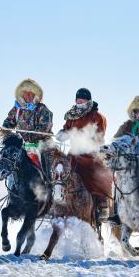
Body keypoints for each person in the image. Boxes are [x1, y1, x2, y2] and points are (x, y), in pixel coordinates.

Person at [57, 88, 112, 222]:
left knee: (97, 172)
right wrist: (63, 134)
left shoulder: (97, 116)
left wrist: (83, 137)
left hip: (91, 154)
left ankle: (102, 203)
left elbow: (99, 135)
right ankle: (58, 200)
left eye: (82, 100)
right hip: (74, 153)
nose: (79, 102)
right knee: (60, 169)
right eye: (78, 100)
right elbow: (66, 129)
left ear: (88, 101)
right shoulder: (72, 116)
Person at [2, 78, 53, 168]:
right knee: (8, 158)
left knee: (47, 161)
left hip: (40, 145)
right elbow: (9, 120)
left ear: (35, 95)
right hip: (22, 145)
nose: (28, 95)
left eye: (31, 93)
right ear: (22, 94)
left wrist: (28, 138)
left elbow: (44, 128)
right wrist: (6, 128)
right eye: (26, 93)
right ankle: (11, 180)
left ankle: (48, 180)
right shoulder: (17, 109)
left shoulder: (42, 109)